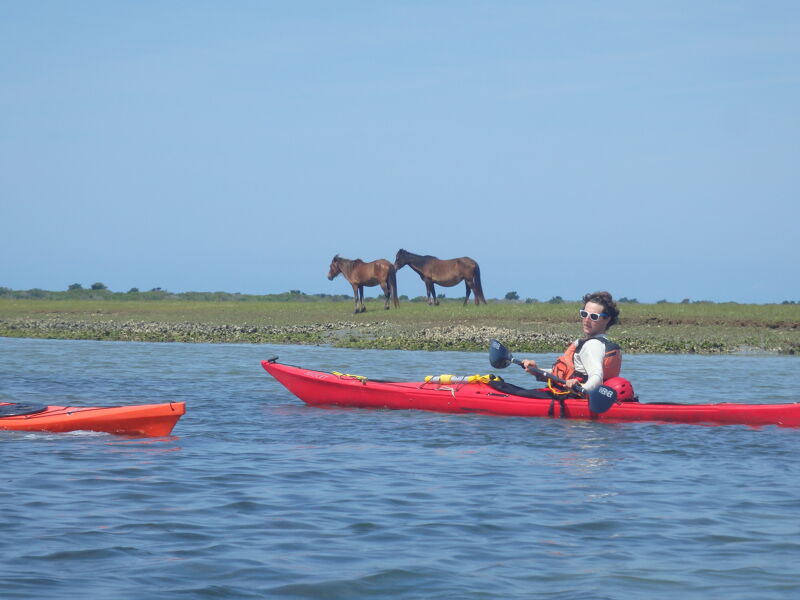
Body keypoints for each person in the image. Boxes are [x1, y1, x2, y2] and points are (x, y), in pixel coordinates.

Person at [490, 291, 622, 400]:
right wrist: (537, 370)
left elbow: (596, 377)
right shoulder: (596, 343)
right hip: (570, 393)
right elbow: (569, 374)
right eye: (584, 314)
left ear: (607, 319)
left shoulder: (593, 345)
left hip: (572, 397)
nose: (586, 319)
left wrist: (582, 389)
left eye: (593, 316)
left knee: (499, 387)